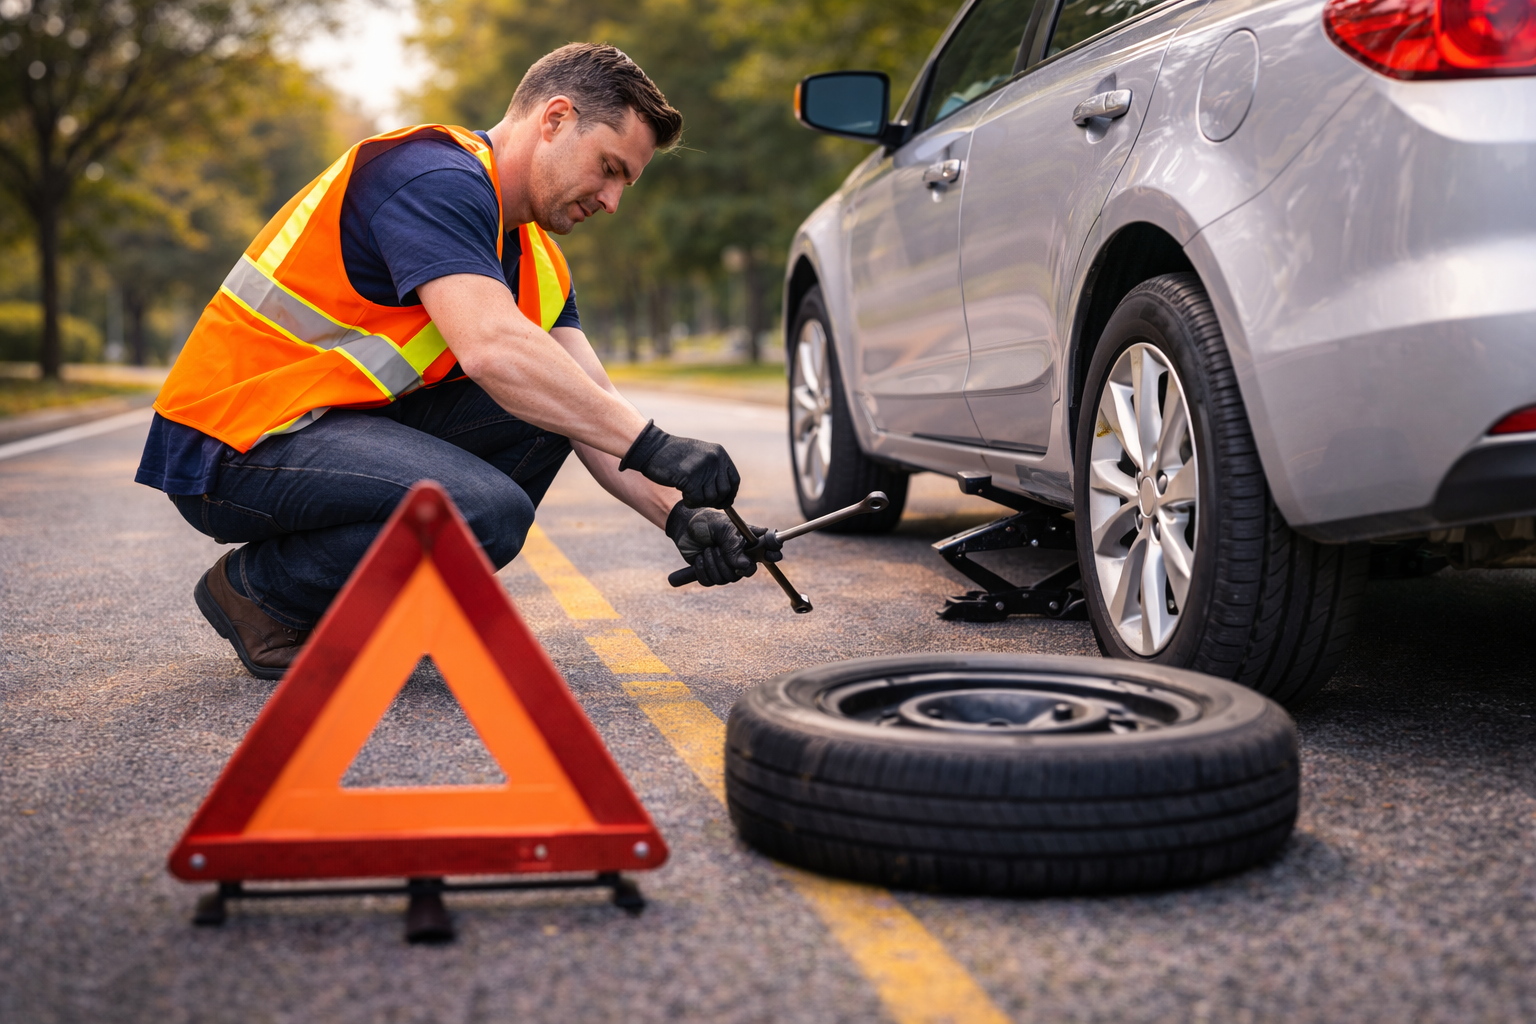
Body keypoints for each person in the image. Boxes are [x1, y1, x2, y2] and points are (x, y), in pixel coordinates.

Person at [135, 43, 776, 680]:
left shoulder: (538, 260)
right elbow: (493, 349)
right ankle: (263, 594)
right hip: (235, 440)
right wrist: (657, 445)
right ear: (554, 120)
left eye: (624, 183)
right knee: (484, 510)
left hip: (325, 429)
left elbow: (592, 405)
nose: (612, 200)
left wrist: (681, 515)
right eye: (609, 168)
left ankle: (350, 603)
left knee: (559, 406)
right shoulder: (431, 178)